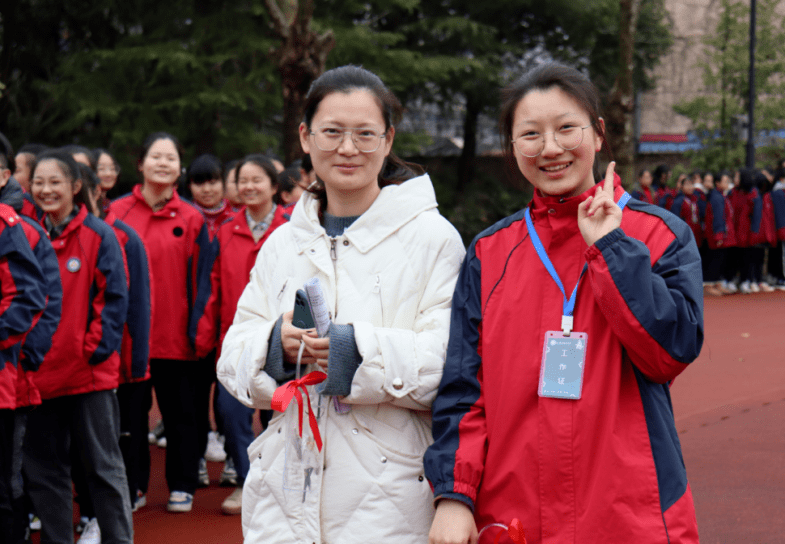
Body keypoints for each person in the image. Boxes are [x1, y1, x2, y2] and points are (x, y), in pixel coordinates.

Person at [425, 62, 703, 544]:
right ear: (514, 149)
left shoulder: (657, 234)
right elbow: (464, 389)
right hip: (514, 515)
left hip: (629, 512)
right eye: (530, 134)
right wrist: (454, 494)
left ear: (597, 134)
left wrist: (611, 250)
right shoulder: (491, 253)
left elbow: (669, 352)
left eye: (566, 129)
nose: (550, 148)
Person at [216, 65, 465, 544]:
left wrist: (353, 350)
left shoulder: (433, 239)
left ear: (388, 140)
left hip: (389, 497)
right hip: (282, 492)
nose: (347, 149)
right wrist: (274, 347)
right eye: (332, 132)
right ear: (306, 137)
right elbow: (232, 358)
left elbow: (448, 362)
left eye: (365, 134)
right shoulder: (282, 243)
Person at [23, 150, 132, 544]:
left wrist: (93, 351)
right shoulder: (27, 233)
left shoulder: (99, 234)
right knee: (45, 472)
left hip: (89, 374)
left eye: (55, 182)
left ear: (74, 187)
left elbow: (114, 298)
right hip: (38, 373)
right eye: (38, 182)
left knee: (103, 468)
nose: (46, 190)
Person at [110, 132, 213, 513]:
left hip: (176, 337)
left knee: (181, 416)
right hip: (130, 338)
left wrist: (198, 332)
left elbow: (204, 280)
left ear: (179, 168)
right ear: (140, 164)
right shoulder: (117, 213)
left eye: (171, 158)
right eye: (156, 156)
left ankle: (182, 484)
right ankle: (134, 487)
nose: (163, 163)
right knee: (130, 419)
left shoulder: (192, 218)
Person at [195, 154, 288, 515]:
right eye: (243, 180)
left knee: (276, 413)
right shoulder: (225, 230)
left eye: (257, 180)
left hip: (283, 342)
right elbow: (213, 287)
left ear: (273, 186)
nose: (249, 187)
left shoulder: (292, 228)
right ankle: (248, 482)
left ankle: (280, 485)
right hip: (237, 340)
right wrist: (204, 335)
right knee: (230, 412)